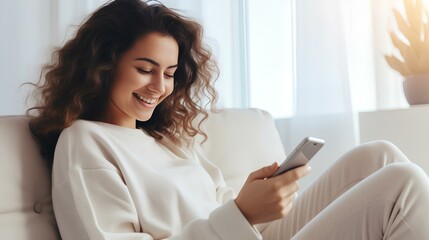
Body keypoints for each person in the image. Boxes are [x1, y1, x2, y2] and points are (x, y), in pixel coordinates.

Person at [28, 0, 429, 239]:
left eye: (169, 74)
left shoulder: (166, 140)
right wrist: (241, 214)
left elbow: (222, 206)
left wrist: (251, 201)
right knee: (404, 184)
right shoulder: (84, 142)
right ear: (103, 65)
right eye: (145, 68)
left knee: (379, 155)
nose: (158, 86)